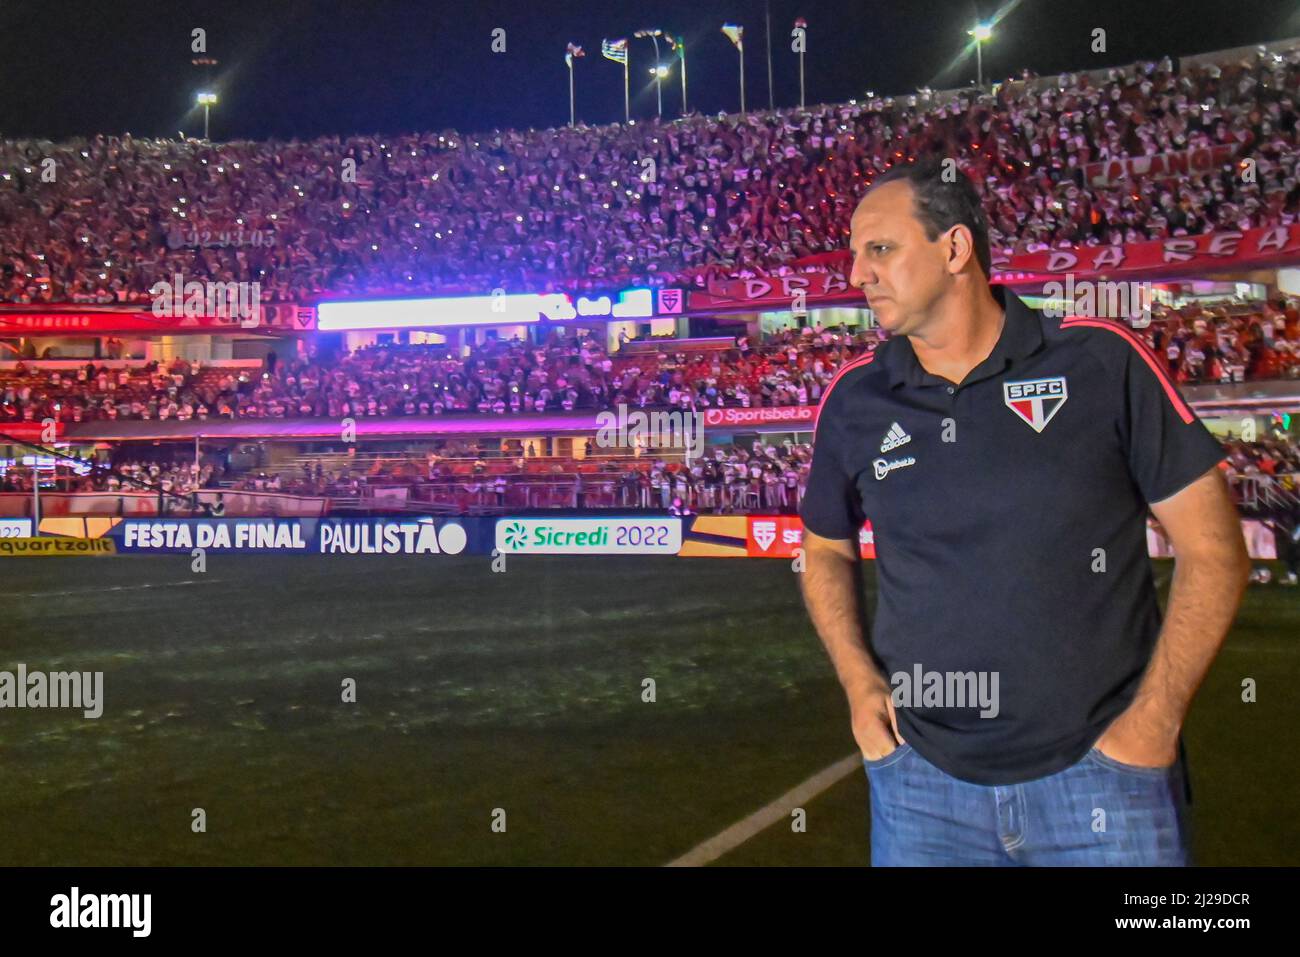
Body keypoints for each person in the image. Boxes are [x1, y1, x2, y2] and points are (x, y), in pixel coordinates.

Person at [799, 157, 1250, 867]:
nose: (857, 273)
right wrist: (861, 688)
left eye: (879, 248)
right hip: (920, 786)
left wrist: (1152, 723)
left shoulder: (1100, 362)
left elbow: (1214, 549)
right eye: (855, 252)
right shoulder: (856, 400)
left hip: (1104, 782)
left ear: (954, 249)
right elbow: (824, 547)